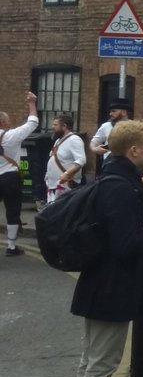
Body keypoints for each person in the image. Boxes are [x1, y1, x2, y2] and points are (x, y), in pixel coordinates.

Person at [70, 120, 143, 377]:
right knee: (103, 364)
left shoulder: (113, 178)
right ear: (134, 150)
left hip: (100, 284)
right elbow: (124, 244)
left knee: (91, 359)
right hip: (111, 287)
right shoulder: (120, 187)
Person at [0, 91, 38, 256]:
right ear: (4, 123)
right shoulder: (11, 136)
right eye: (8, 120)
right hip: (10, 178)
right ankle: (11, 246)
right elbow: (33, 122)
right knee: (13, 211)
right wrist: (31, 103)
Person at [45, 114, 87, 204]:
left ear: (64, 126)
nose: (52, 127)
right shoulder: (58, 141)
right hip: (54, 186)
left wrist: (67, 174)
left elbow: (81, 160)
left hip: (68, 186)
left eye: (55, 125)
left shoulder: (74, 140)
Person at [90, 97, 133, 168]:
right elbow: (94, 142)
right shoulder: (105, 126)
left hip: (129, 164)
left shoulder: (135, 127)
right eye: (110, 111)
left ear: (124, 112)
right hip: (109, 165)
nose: (110, 114)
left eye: (114, 111)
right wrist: (95, 149)